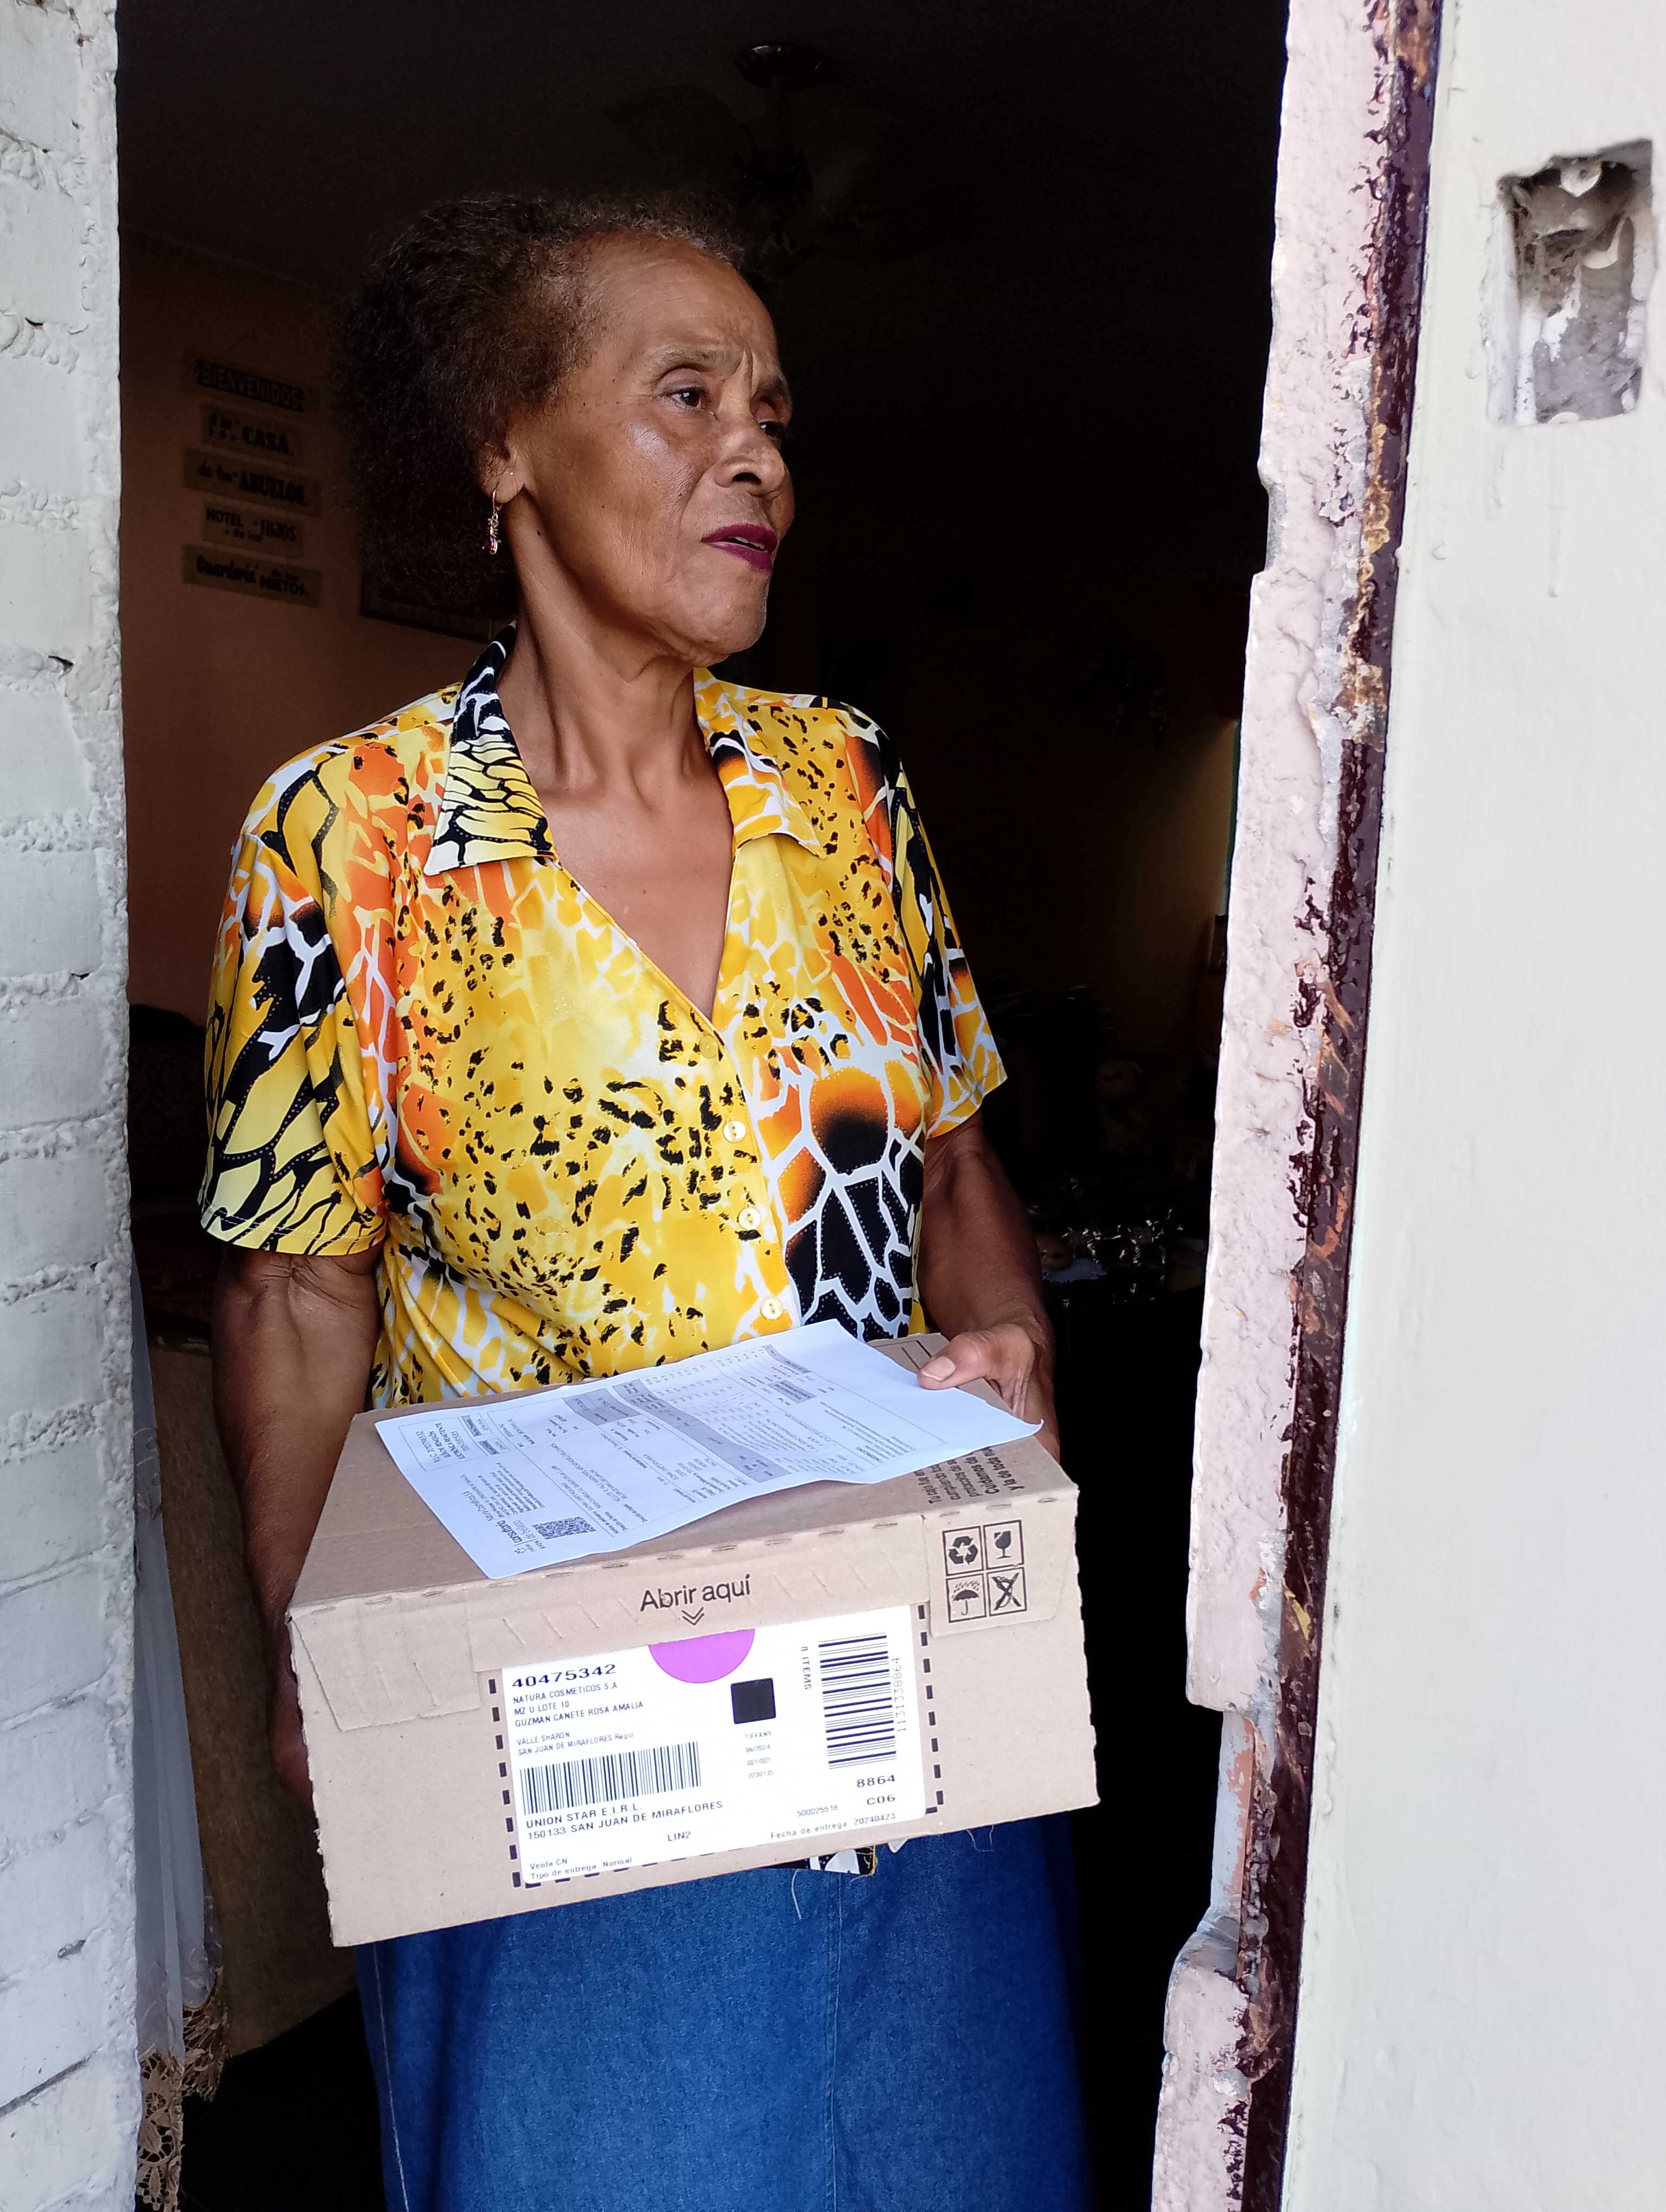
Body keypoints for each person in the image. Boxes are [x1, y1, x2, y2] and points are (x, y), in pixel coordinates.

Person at [202, 190, 1090, 2212]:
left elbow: (955, 1160)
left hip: (891, 1685)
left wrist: (1018, 1389)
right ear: (502, 444)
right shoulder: (351, 835)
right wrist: (318, 1654)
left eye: (773, 410)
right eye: (686, 394)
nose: (755, 452)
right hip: (570, 1722)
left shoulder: (844, 786)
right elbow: (296, 1294)